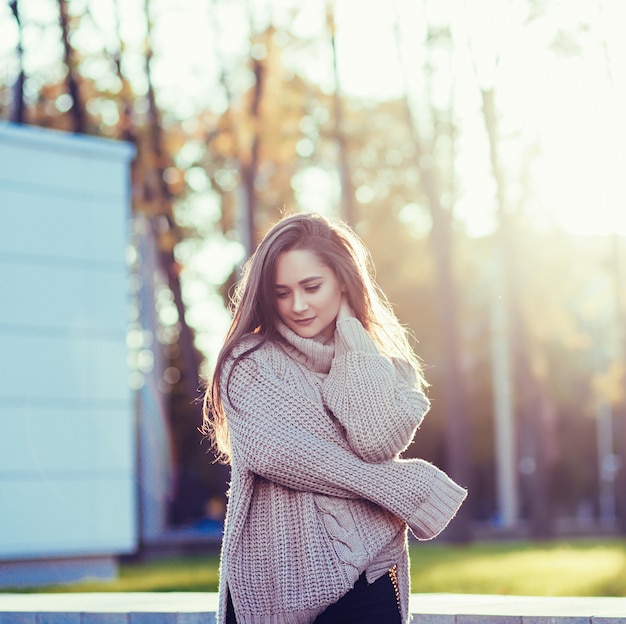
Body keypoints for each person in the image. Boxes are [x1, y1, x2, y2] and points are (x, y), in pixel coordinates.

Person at [203, 212, 467, 624]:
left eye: (312, 286)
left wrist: (352, 335)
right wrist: (398, 485)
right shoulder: (251, 362)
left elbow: (375, 440)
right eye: (282, 293)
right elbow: (274, 452)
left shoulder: (387, 368)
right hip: (274, 586)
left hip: (368, 579)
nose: (299, 305)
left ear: (343, 281)